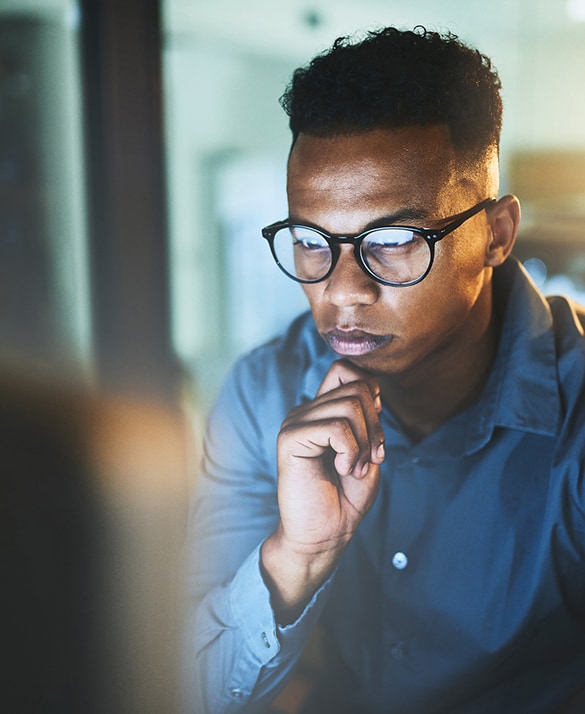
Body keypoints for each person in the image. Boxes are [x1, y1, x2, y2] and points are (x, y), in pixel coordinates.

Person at [185, 26, 585, 714]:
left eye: (393, 241)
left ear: (495, 234)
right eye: (310, 241)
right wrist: (297, 557)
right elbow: (176, 687)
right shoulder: (263, 393)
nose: (341, 290)